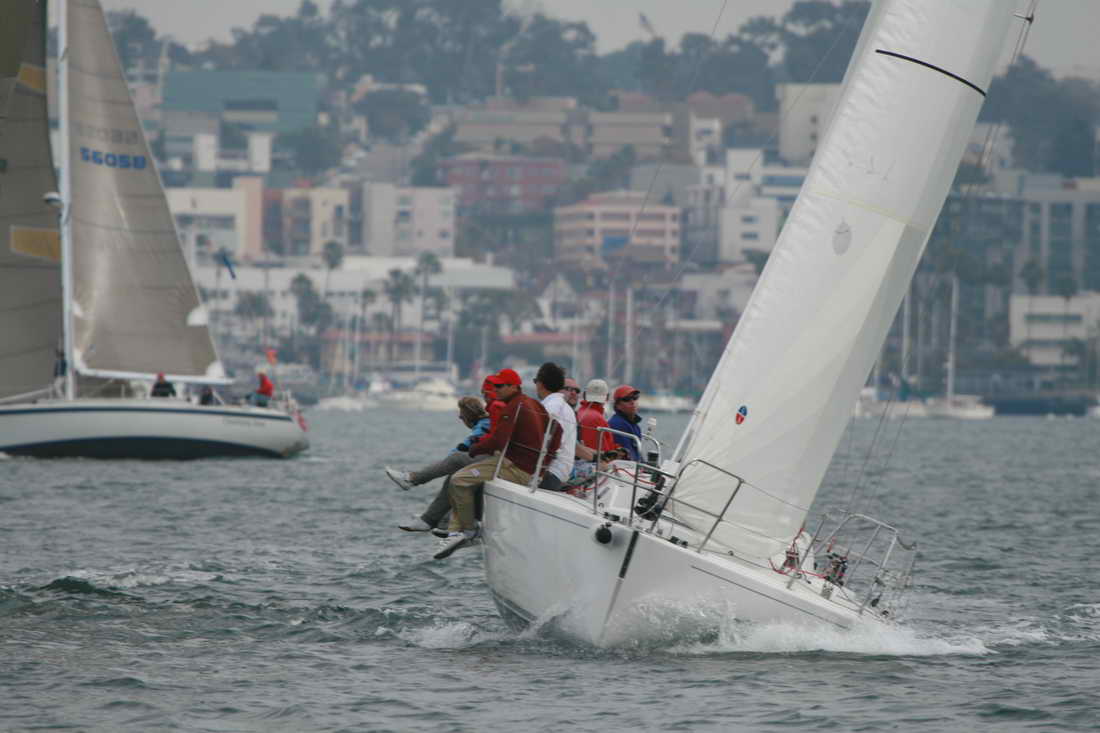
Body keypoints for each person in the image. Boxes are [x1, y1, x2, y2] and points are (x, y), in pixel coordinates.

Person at [434, 368, 559, 560]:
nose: (496, 389)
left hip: (515, 468)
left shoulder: (513, 407)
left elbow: (499, 441)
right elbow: (557, 429)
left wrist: (473, 449)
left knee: (458, 480)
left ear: (513, 387)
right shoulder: (532, 402)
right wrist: (545, 462)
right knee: (465, 476)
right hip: (521, 466)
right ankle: (455, 532)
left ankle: (468, 531)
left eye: (500, 386)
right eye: (494, 386)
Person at [389, 396, 490, 532]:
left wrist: (448, 461)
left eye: (461, 414)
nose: (460, 417)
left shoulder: (484, 425)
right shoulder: (484, 423)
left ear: (469, 414)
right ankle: (436, 520)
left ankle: (411, 479)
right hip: (487, 464)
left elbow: (466, 445)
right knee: (457, 475)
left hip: (492, 464)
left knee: (456, 460)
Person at [533, 362, 574, 491]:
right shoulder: (566, 407)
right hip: (560, 472)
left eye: (535, 381)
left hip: (549, 473)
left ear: (540, 384)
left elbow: (546, 442)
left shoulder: (550, 407)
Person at [576, 378, 617, 455]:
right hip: (593, 460)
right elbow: (606, 452)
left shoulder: (577, 413)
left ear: (584, 395)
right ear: (607, 397)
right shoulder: (599, 419)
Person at [608, 384, 644, 462]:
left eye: (635, 398)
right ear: (618, 406)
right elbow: (628, 456)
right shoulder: (617, 424)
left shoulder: (634, 425)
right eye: (627, 399)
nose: (632, 402)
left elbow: (637, 454)